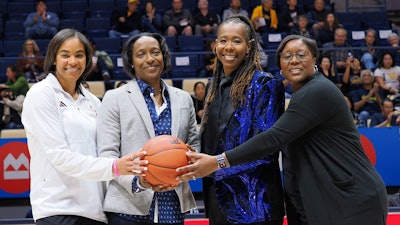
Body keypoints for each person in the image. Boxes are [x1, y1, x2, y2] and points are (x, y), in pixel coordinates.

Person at [177, 35, 388, 225]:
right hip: (329, 195)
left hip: (350, 198)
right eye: (287, 56)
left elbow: (273, 138)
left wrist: (217, 162)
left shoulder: (317, 91)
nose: (294, 60)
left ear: (315, 60)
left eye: (300, 55)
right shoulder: (301, 93)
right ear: (280, 66)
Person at [21, 28, 148, 225]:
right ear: (54, 58)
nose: (73, 61)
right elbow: (59, 156)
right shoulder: (41, 94)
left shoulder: (93, 102)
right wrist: (115, 167)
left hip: (96, 211)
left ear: (87, 60)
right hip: (57, 209)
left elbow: (107, 151)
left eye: (79, 55)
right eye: (65, 55)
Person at [96, 32, 199, 225]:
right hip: (128, 209)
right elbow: (107, 156)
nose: (150, 59)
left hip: (173, 207)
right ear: (131, 62)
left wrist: (190, 162)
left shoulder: (183, 98)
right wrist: (139, 182)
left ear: (164, 57)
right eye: (141, 54)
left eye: (155, 52)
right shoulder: (114, 98)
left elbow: (194, 146)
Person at [195, 15, 286, 225]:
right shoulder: (213, 87)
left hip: (254, 204)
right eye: (223, 40)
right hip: (219, 199)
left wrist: (215, 165)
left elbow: (267, 149)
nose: (228, 47)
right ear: (215, 44)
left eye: (236, 41)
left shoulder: (265, 85)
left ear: (249, 46)